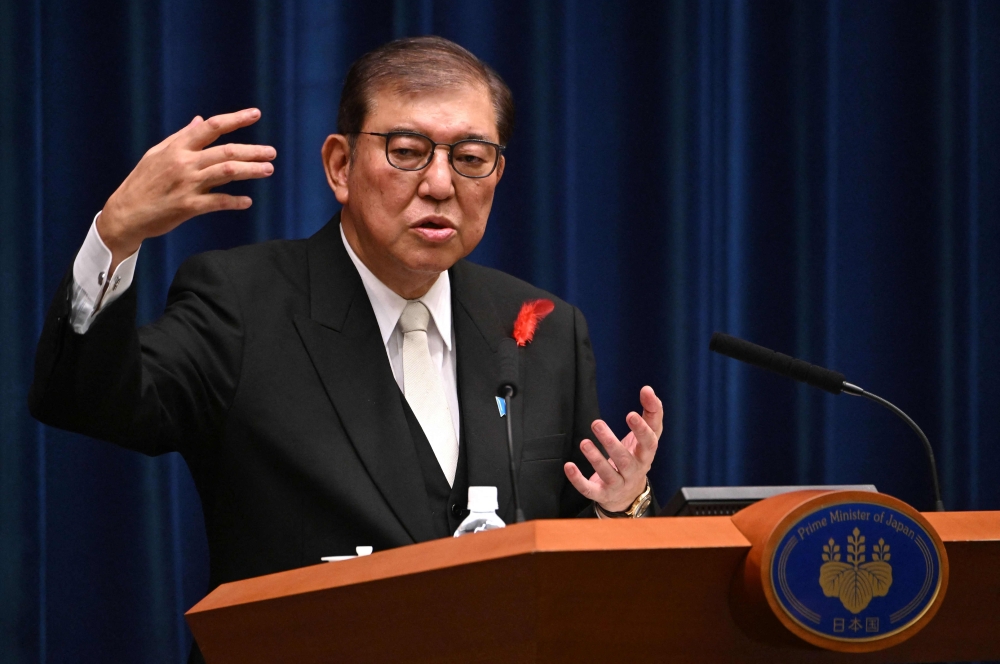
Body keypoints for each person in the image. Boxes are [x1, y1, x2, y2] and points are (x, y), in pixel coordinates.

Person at [29, 35, 662, 660]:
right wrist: (116, 235)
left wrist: (621, 507)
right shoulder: (244, 302)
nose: (440, 183)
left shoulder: (542, 326)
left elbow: (579, 573)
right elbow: (89, 401)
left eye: (471, 157)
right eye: (407, 152)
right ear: (340, 165)